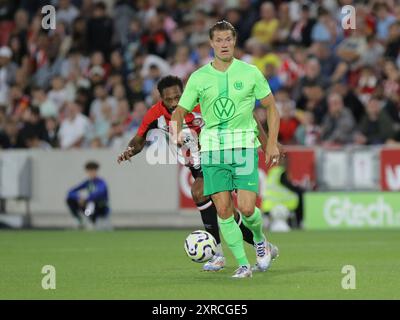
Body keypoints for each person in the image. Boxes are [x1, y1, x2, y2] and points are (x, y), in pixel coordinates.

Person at [117, 75, 278, 272]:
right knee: (225, 210)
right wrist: (130, 150)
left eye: (178, 97)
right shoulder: (155, 115)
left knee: (215, 199)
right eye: (169, 99)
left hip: (223, 155)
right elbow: (139, 138)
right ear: (161, 99)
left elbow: (246, 114)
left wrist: (267, 142)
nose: (175, 103)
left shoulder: (202, 104)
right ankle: (257, 247)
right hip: (197, 164)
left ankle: (237, 250)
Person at [171, 21, 281, 278]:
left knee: (246, 207)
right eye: (218, 40)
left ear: (234, 42)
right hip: (212, 150)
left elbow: (271, 108)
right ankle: (243, 265)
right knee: (223, 210)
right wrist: (176, 131)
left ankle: (259, 239)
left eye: (227, 39)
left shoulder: (251, 72)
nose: (223, 44)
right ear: (211, 43)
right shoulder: (199, 77)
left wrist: (272, 142)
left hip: (243, 146)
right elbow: (179, 111)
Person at [66, 161, 111, 230]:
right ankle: (80, 220)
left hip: (101, 207)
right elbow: (71, 192)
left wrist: (87, 199)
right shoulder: (87, 182)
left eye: (93, 171)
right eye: (89, 171)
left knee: (91, 204)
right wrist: (79, 198)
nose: (91, 173)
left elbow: (99, 193)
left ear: (96, 171)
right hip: (89, 206)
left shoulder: (101, 182)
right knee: (70, 200)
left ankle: (91, 222)